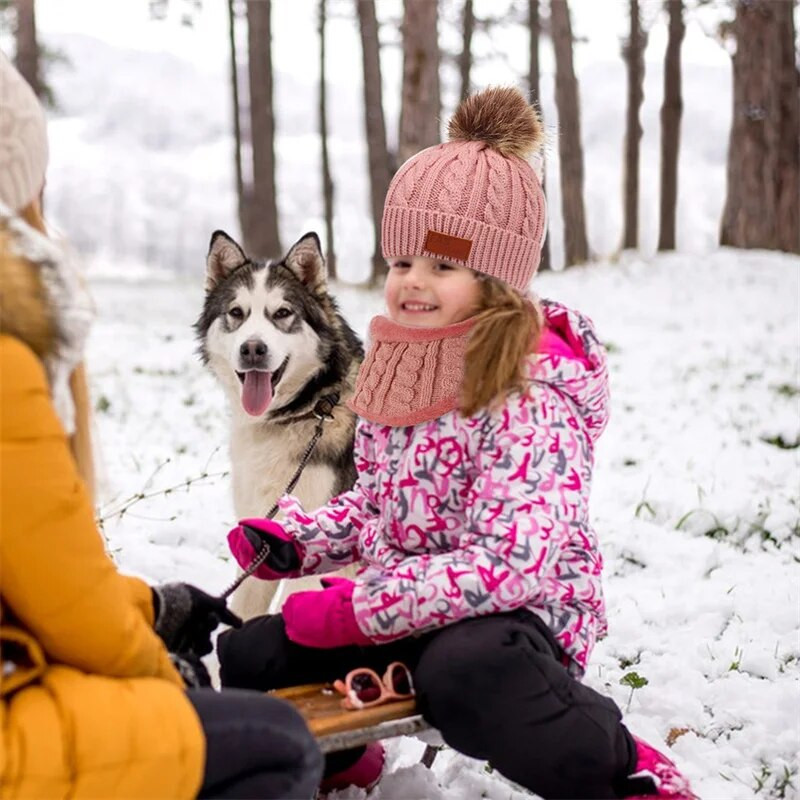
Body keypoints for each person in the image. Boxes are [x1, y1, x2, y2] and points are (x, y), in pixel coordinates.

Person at [220, 87, 697, 800]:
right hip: (412, 610)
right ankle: (348, 763)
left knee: (464, 669)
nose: (413, 282)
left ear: (496, 278)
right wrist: (300, 545)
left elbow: (511, 565)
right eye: (403, 261)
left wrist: (359, 609)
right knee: (255, 649)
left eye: (443, 266)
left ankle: (624, 769)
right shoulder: (401, 368)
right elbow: (378, 506)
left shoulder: (529, 393)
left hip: (511, 627)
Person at [0, 52, 323, 799]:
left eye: (278, 319)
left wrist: (154, 606)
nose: (254, 337)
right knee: (278, 745)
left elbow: (35, 586)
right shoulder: (11, 358)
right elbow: (61, 605)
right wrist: (174, 678)